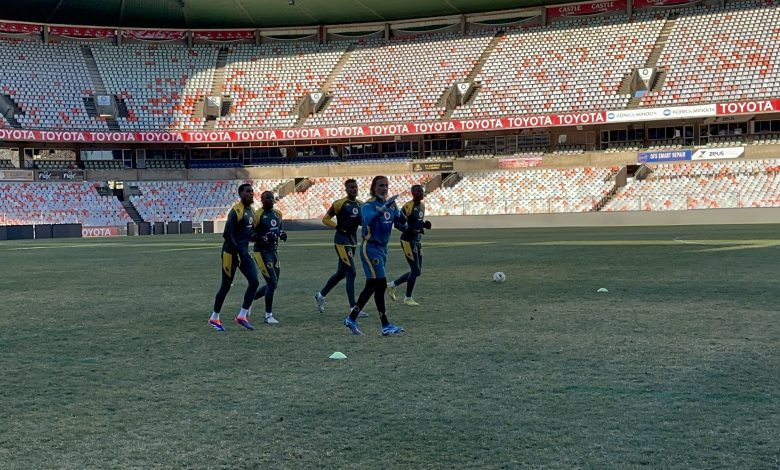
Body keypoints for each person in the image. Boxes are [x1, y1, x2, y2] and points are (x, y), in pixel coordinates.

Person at [343, 175, 407, 336]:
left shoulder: (391, 206)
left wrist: (410, 222)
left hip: (383, 250)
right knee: (380, 283)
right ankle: (385, 324)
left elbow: (400, 223)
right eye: (380, 186)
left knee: (373, 285)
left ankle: (352, 318)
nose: (384, 188)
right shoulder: (367, 206)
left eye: (386, 185)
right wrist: (385, 208)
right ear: (373, 188)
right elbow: (368, 220)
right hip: (370, 248)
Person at [209, 183, 260, 331]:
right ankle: (214, 318)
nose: (251, 194)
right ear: (240, 194)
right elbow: (227, 234)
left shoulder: (252, 212)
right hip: (230, 254)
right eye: (247, 192)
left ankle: (242, 316)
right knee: (225, 286)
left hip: (243, 253)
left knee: (254, 281)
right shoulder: (235, 211)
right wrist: (237, 251)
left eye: (252, 191)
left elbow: (250, 234)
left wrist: (263, 237)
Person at [314, 179, 367, 317]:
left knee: (341, 273)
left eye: (355, 187)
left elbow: (363, 222)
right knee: (351, 272)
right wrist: (337, 227)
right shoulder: (339, 203)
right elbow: (325, 219)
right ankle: (353, 308)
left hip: (352, 242)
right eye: (351, 187)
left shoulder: (361, 205)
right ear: (346, 189)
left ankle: (320, 295)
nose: (354, 189)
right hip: (341, 242)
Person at [388, 184, 431, 306]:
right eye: (418, 191)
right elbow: (398, 224)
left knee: (417, 272)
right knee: (415, 269)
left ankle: (392, 285)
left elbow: (417, 222)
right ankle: (407, 298)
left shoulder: (422, 206)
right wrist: (407, 229)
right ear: (413, 193)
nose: (421, 193)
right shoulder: (408, 206)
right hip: (407, 241)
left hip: (417, 240)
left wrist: (424, 225)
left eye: (422, 191)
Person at [251, 190, 287, 325]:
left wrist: (282, 234)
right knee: (271, 283)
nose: (270, 200)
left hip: (274, 252)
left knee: (273, 284)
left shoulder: (278, 214)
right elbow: (250, 234)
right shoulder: (257, 215)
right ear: (261, 200)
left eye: (271, 198)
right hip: (261, 252)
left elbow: (279, 230)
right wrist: (264, 237)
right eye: (267, 198)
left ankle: (249, 301)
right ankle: (268, 315)